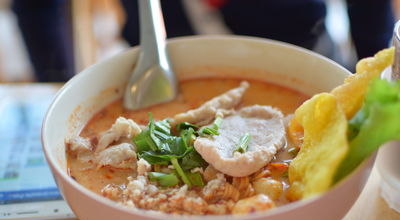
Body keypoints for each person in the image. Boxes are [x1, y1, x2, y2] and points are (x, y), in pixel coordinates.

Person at [12, 0, 395, 82]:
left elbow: (371, 8)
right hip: (158, 73)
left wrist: (382, 82)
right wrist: (56, 84)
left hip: (309, 59)